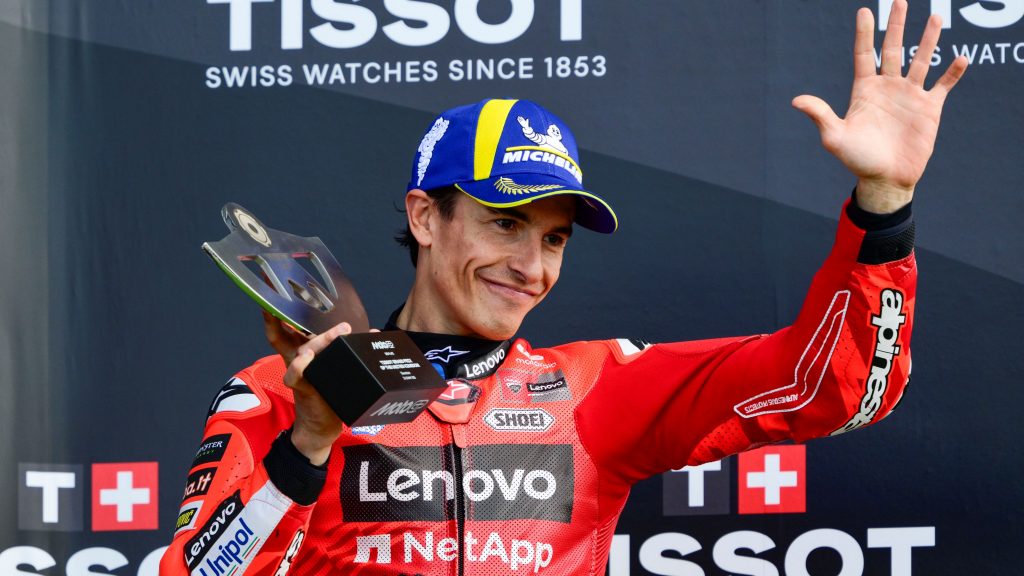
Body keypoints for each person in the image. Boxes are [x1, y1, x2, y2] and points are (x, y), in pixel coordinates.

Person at [161, 2, 967, 574]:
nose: (532, 267)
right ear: (425, 216)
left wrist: (883, 205)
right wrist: (307, 445)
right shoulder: (284, 390)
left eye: (553, 239)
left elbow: (829, 385)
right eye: (506, 224)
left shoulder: (595, 389)